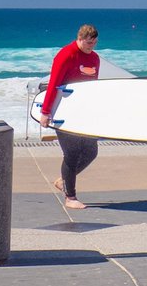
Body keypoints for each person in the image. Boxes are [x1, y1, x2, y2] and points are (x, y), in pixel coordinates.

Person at [41, 23, 103, 210]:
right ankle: (70, 197)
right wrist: (45, 111)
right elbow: (54, 83)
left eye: (94, 43)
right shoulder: (66, 54)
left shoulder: (95, 59)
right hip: (63, 111)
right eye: (88, 43)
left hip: (83, 113)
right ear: (80, 38)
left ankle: (63, 181)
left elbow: (93, 88)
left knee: (91, 152)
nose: (90, 46)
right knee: (72, 153)